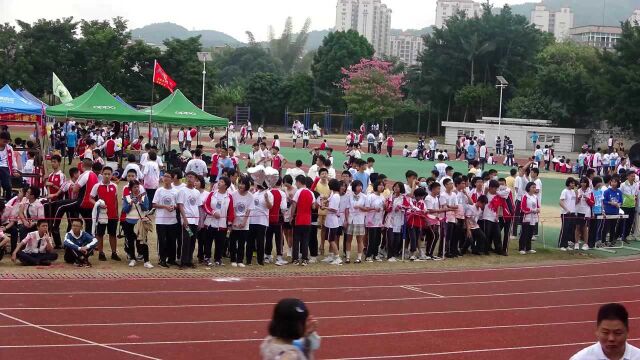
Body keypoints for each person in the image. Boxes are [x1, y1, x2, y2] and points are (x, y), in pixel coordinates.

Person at [570, 303, 640, 360]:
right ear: (597, 331)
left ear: (627, 332)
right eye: (605, 332)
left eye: (617, 333)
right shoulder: (581, 358)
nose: (611, 338)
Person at [89, 166, 121, 262]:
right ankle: (101, 253)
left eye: (109, 174)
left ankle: (114, 253)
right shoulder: (97, 186)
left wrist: (117, 213)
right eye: (105, 174)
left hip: (112, 215)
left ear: (112, 175)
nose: (107, 176)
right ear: (102, 174)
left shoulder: (114, 186)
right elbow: (90, 198)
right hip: (101, 215)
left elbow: (116, 201)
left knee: (112, 234)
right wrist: (97, 204)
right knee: (100, 234)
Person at [203, 176, 235, 266]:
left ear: (226, 185)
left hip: (222, 225)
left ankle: (218, 259)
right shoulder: (212, 194)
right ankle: (207, 258)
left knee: (220, 242)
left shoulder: (229, 197)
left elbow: (231, 211)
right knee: (208, 241)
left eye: (221, 182)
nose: (219, 183)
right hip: (210, 223)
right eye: (219, 181)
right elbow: (206, 205)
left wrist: (229, 224)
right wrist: (213, 212)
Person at [152, 172, 178, 268]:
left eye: (168, 177)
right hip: (161, 220)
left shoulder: (175, 191)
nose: (166, 178)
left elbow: (178, 204)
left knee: (172, 240)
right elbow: (154, 204)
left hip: (172, 220)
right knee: (162, 240)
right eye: (165, 176)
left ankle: (172, 259)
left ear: (172, 179)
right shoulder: (159, 190)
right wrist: (165, 206)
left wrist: (173, 207)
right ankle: (162, 259)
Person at [177, 172, 202, 269]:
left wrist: (199, 221)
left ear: (195, 179)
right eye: (188, 177)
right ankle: (183, 262)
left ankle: (189, 260)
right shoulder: (182, 191)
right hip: (187, 221)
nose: (189, 178)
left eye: (192, 177)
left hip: (195, 221)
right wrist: (184, 219)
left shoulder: (197, 192)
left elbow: (198, 206)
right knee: (186, 240)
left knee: (192, 240)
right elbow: (180, 205)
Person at [290, 175, 315, 266]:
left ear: (299, 182)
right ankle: (305, 259)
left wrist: (291, 216)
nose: (296, 184)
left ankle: (295, 259)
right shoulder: (311, 193)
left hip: (299, 219)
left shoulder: (298, 192)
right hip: (307, 219)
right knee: (305, 240)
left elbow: (294, 205)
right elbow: (313, 206)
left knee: (296, 240)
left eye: (296, 182)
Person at [558, 177, 578, 251]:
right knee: (564, 229)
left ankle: (566, 245)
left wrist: (576, 194)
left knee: (570, 229)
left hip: (572, 213)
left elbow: (575, 202)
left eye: (574, 183)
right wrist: (566, 209)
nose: (573, 184)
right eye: (572, 183)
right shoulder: (564, 191)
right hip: (565, 213)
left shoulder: (573, 192)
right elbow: (560, 202)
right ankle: (561, 245)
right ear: (569, 183)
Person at [0, 132, 17, 199]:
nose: (5, 143)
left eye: (7, 142)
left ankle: (8, 200)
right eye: (4, 141)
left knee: (8, 186)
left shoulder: (9, 148)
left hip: (5, 168)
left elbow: (13, 159)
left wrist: (14, 169)